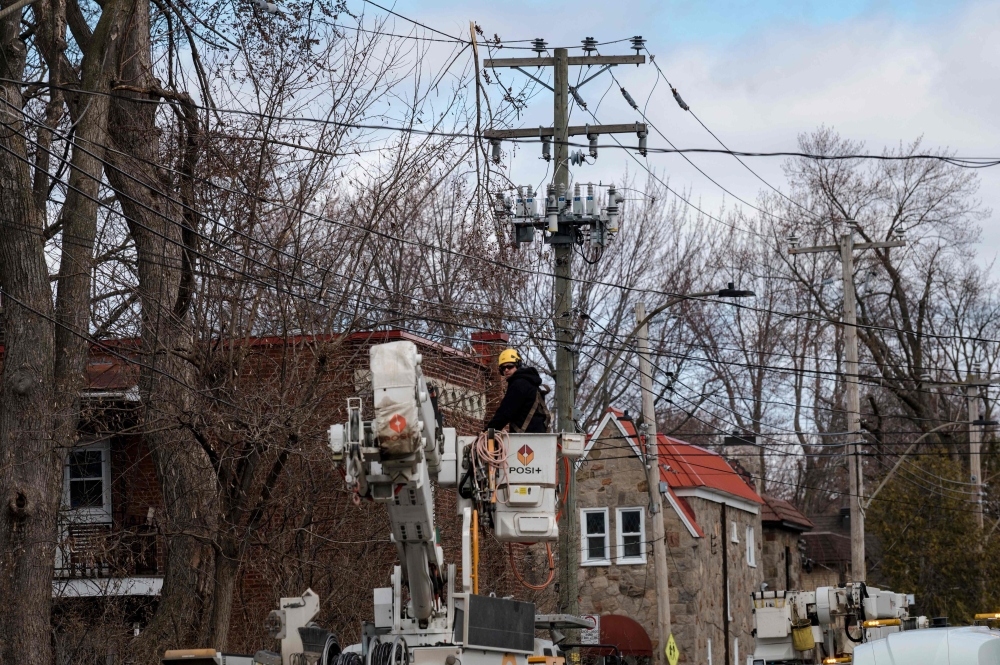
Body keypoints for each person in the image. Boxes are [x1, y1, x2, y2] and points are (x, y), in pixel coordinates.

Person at [485, 348, 550, 433]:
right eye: (503, 368)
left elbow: (504, 413)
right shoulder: (530, 382)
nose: (506, 370)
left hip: (524, 438)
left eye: (510, 366)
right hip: (539, 436)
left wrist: (488, 431)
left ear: (518, 365)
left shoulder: (519, 384)